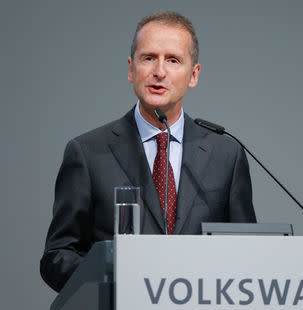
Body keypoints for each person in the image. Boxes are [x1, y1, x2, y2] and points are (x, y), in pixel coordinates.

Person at [40, 11, 256, 292]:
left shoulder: (226, 155)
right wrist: (115, 278)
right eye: (149, 58)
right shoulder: (87, 153)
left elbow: (251, 254)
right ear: (131, 69)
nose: (159, 71)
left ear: (193, 75)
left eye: (173, 60)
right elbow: (57, 257)